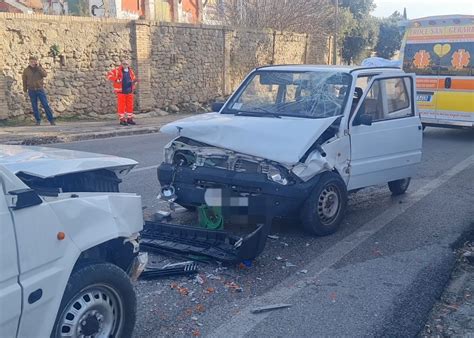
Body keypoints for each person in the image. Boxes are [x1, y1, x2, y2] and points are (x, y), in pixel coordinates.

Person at [22, 56, 56, 126]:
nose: (33, 63)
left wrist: (38, 67)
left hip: (40, 89)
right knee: (34, 106)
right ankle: (38, 120)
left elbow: (45, 75)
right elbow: (24, 80)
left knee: (45, 105)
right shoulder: (26, 70)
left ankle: (51, 120)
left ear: (36, 61)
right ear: (29, 62)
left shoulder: (39, 68)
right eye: (31, 61)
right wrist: (25, 90)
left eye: (34, 61)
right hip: (31, 90)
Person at [107, 60, 138, 126]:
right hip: (121, 92)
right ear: (121, 64)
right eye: (123, 64)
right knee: (121, 106)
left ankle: (129, 119)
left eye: (126, 64)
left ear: (128, 65)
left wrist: (134, 83)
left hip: (129, 91)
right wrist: (116, 79)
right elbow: (109, 75)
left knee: (130, 106)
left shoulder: (131, 71)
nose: (125, 65)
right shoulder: (117, 70)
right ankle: (122, 120)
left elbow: (134, 79)